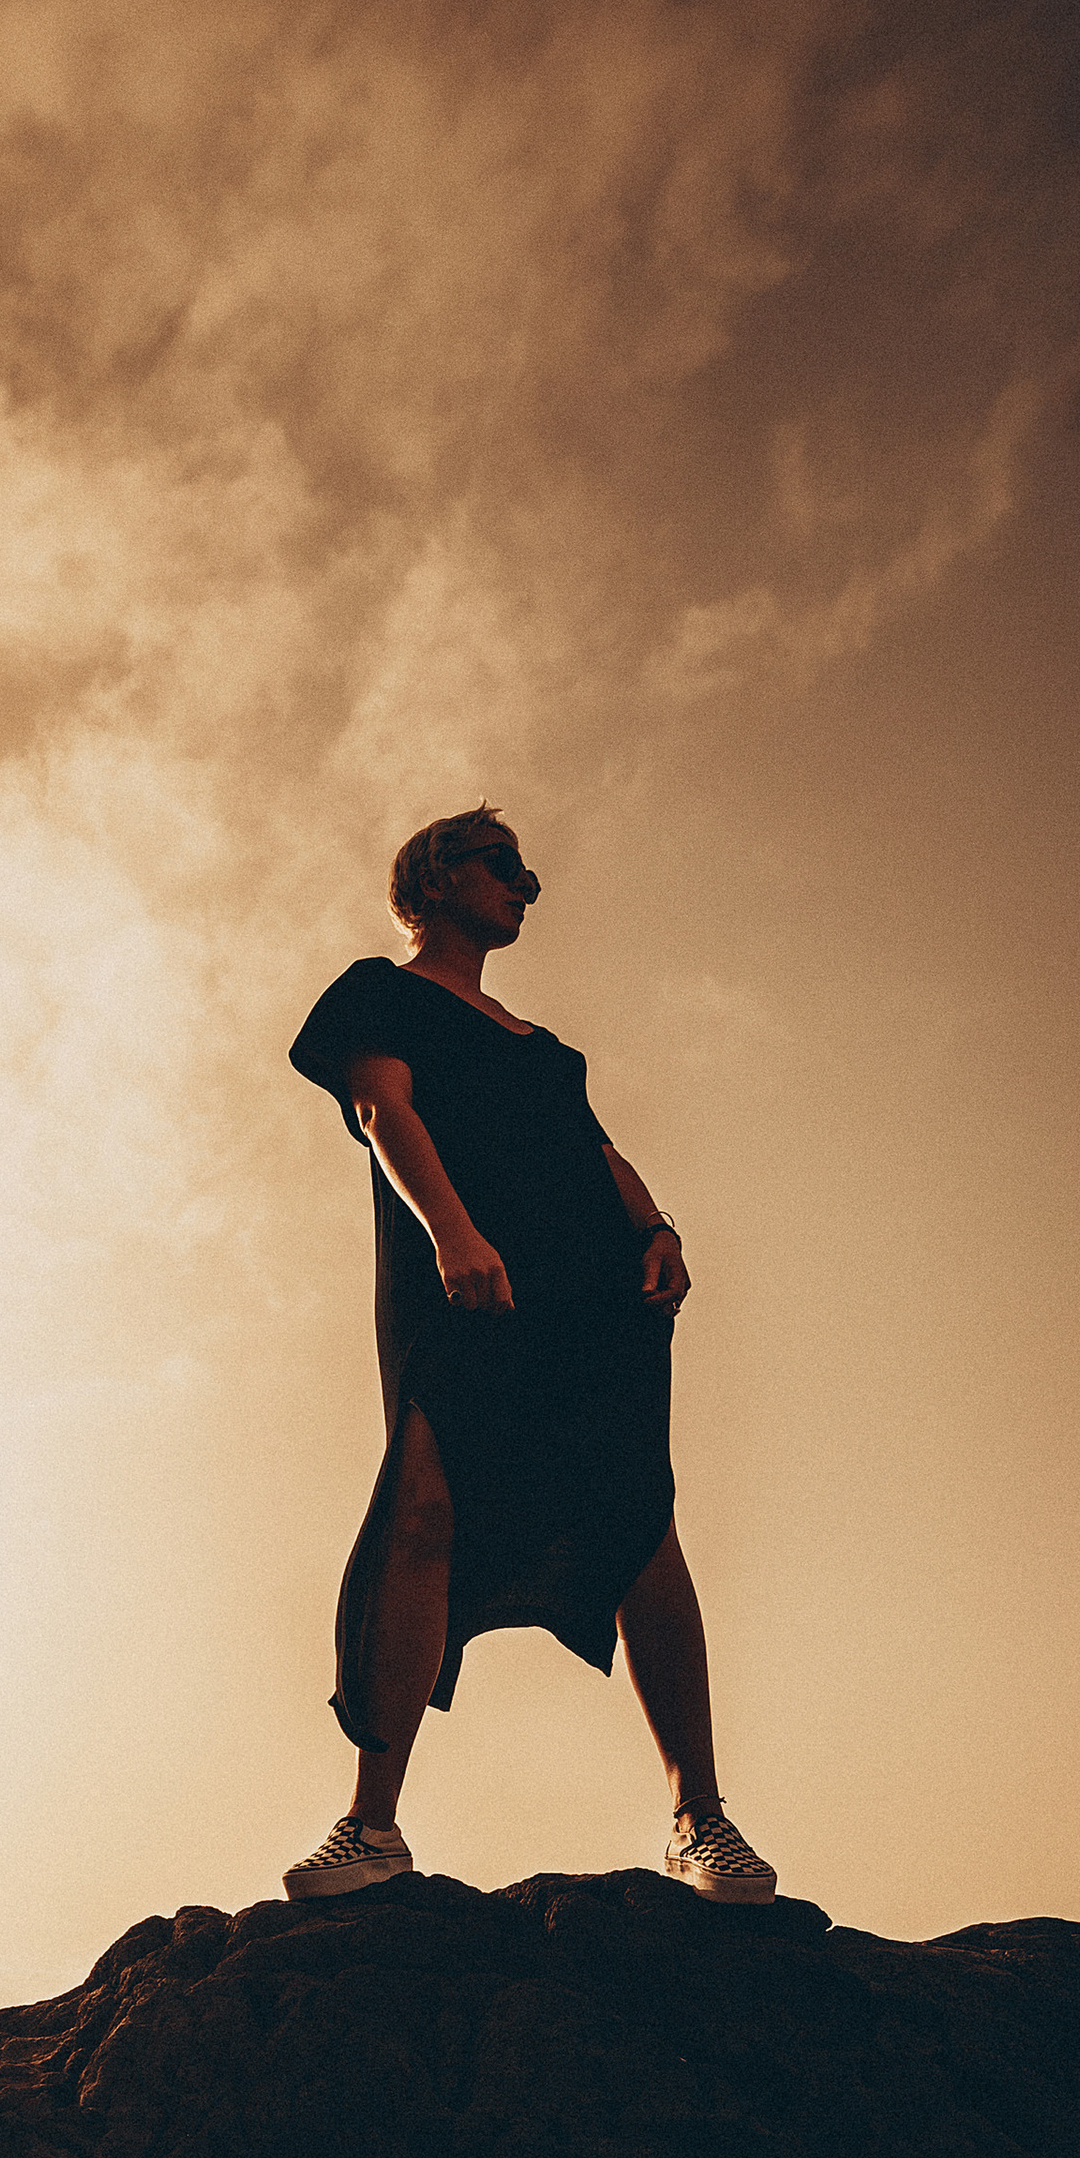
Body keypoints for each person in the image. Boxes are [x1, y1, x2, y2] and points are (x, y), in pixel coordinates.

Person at [282, 807, 778, 1906]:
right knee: (422, 1510)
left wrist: (657, 1229)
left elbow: (597, 1151)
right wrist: (454, 1236)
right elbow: (383, 1108)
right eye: (503, 865)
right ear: (433, 879)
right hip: (466, 1279)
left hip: (595, 1295)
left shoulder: (544, 1049)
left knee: (639, 1522)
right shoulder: (378, 991)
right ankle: (370, 1825)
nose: (528, 885)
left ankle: (701, 1820)